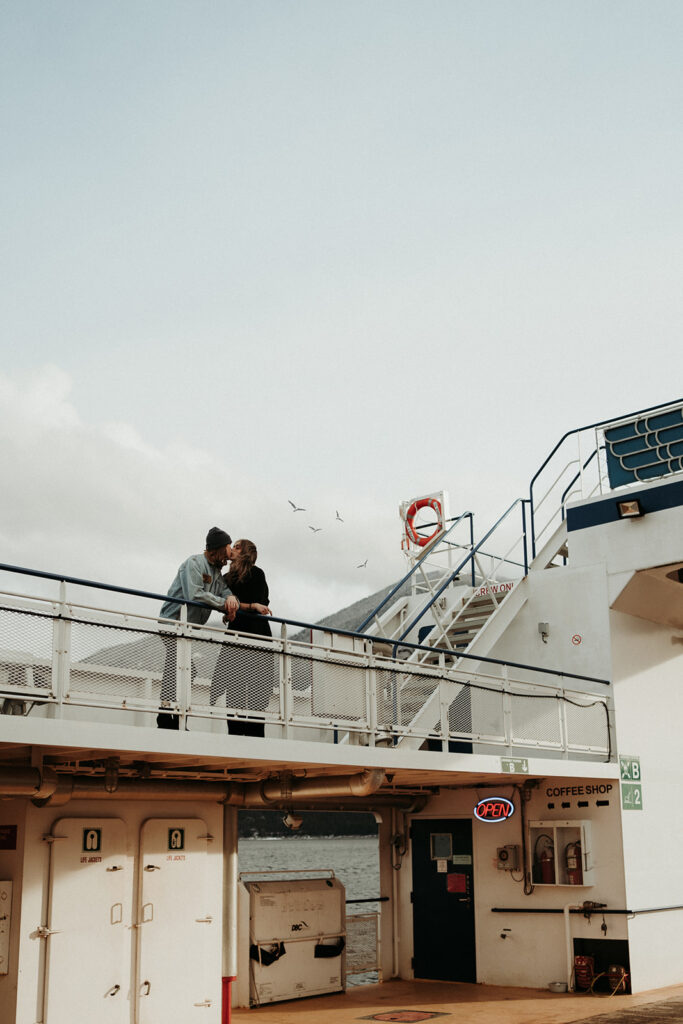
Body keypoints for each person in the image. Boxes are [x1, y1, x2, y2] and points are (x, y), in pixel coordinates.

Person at [157, 527, 239, 729]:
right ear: (218, 549)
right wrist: (223, 604)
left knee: (180, 668)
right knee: (183, 669)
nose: (228, 558)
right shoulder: (193, 564)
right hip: (173, 622)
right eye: (228, 551)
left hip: (189, 628)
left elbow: (225, 591)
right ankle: (167, 716)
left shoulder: (216, 573)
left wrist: (231, 598)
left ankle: (171, 715)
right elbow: (194, 594)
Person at [210, 539, 272, 736]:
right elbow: (225, 602)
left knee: (256, 689)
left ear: (245, 552)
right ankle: (235, 737)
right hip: (238, 635)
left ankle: (255, 739)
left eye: (237, 546)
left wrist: (239, 607)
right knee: (234, 687)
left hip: (256, 636)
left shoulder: (256, 573)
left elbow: (260, 602)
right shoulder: (226, 577)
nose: (233, 549)